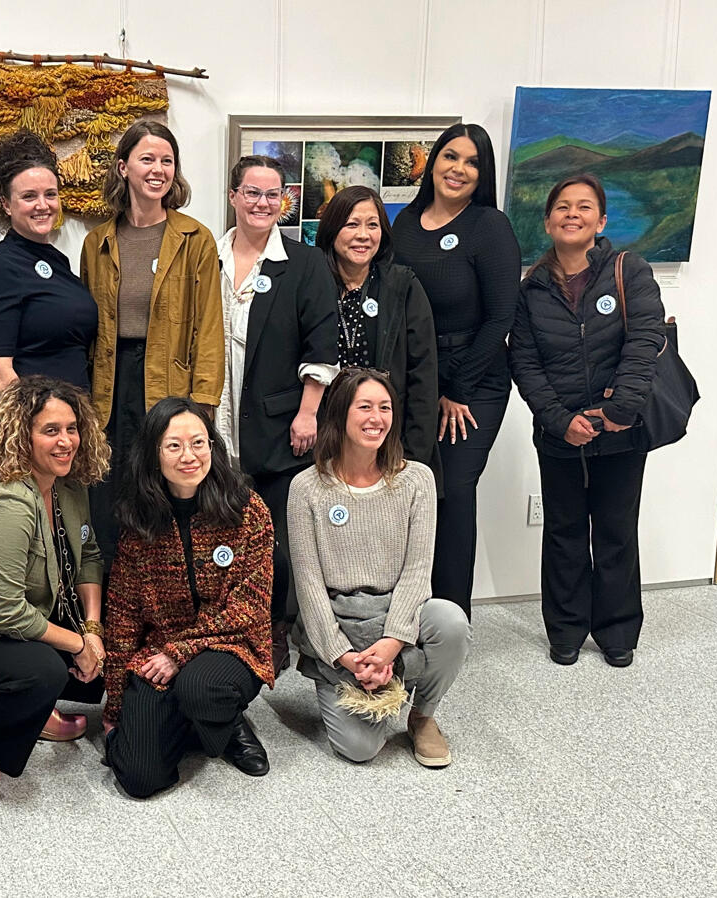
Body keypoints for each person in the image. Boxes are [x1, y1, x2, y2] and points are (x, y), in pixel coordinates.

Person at [509, 174, 664, 668]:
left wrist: (619, 412)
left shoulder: (628, 270)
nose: (571, 214)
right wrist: (560, 420)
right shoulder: (530, 288)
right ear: (548, 220)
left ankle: (618, 631)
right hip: (559, 435)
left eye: (583, 207)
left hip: (622, 432)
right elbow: (524, 363)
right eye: (561, 207)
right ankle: (566, 630)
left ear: (601, 220)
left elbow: (645, 342)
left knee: (617, 530)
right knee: (564, 531)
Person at [287, 368, 470, 767]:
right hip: (339, 623)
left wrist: (390, 645)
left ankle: (422, 716)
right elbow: (309, 587)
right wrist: (345, 656)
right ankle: (362, 681)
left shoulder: (417, 480)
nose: (377, 418)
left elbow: (417, 573)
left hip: (397, 617)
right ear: (338, 415)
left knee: (451, 621)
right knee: (360, 748)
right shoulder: (306, 487)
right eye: (365, 407)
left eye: (385, 407)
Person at [0, 376, 109, 793]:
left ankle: (33, 713)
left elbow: (88, 556)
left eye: (71, 429)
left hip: (33, 612)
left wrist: (93, 630)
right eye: (50, 431)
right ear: (21, 436)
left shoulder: (67, 484)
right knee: (44, 672)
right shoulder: (8, 502)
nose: (66, 441)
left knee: (108, 659)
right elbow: (5, 612)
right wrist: (78, 644)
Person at [103, 398, 275, 798]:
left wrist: (180, 652)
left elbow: (248, 607)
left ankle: (224, 720)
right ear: (153, 454)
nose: (189, 456)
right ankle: (193, 722)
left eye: (199, 443)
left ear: (213, 446)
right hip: (158, 654)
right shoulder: (139, 521)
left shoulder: (247, 510)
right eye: (174, 445)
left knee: (201, 688)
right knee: (139, 778)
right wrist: (115, 708)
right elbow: (124, 616)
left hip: (233, 646)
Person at [392, 123, 520, 620]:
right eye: (450, 156)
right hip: (418, 375)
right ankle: (407, 612)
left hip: (475, 381)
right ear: (434, 160)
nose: (458, 169)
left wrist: (457, 389)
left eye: (471, 162)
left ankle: (450, 620)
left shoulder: (489, 226)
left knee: (454, 492)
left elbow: (500, 317)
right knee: (414, 489)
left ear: (481, 173)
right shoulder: (404, 223)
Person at [81, 120, 224, 568]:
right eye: (147, 159)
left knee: (164, 489)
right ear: (124, 167)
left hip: (170, 381)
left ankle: (166, 593)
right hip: (110, 380)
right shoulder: (97, 240)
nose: (158, 169)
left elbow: (209, 326)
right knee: (110, 488)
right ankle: (108, 598)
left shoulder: (194, 238)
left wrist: (202, 403)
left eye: (167, 160)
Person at [216, 155, 338, 672]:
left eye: (273, 195)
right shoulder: (208, 254)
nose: (263, 203)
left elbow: (322, 346)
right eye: (252, 192)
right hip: (216, 414)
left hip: (278, 422)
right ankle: (223, 627)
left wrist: (308, 413)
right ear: (234, 197)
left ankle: (272, 628)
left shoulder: (305, 263)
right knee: (218, 532)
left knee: (276, 540)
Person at [316, 185, 440, 486]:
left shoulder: (402, 286)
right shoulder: (312, 283)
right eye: (351, 224)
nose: (363, 235)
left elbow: (423, 373)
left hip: (386, 438)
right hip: (323, 438)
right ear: (332, 230)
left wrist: (413, 455)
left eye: (372, 225)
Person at [0, 130, 98, 397]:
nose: (43, 205)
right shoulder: (0, 270)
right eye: (29, 196)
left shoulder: (58, 263)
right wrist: (33, 423)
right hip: (32, 426)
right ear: (6, 204)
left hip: (71, 422)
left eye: (50, 194)